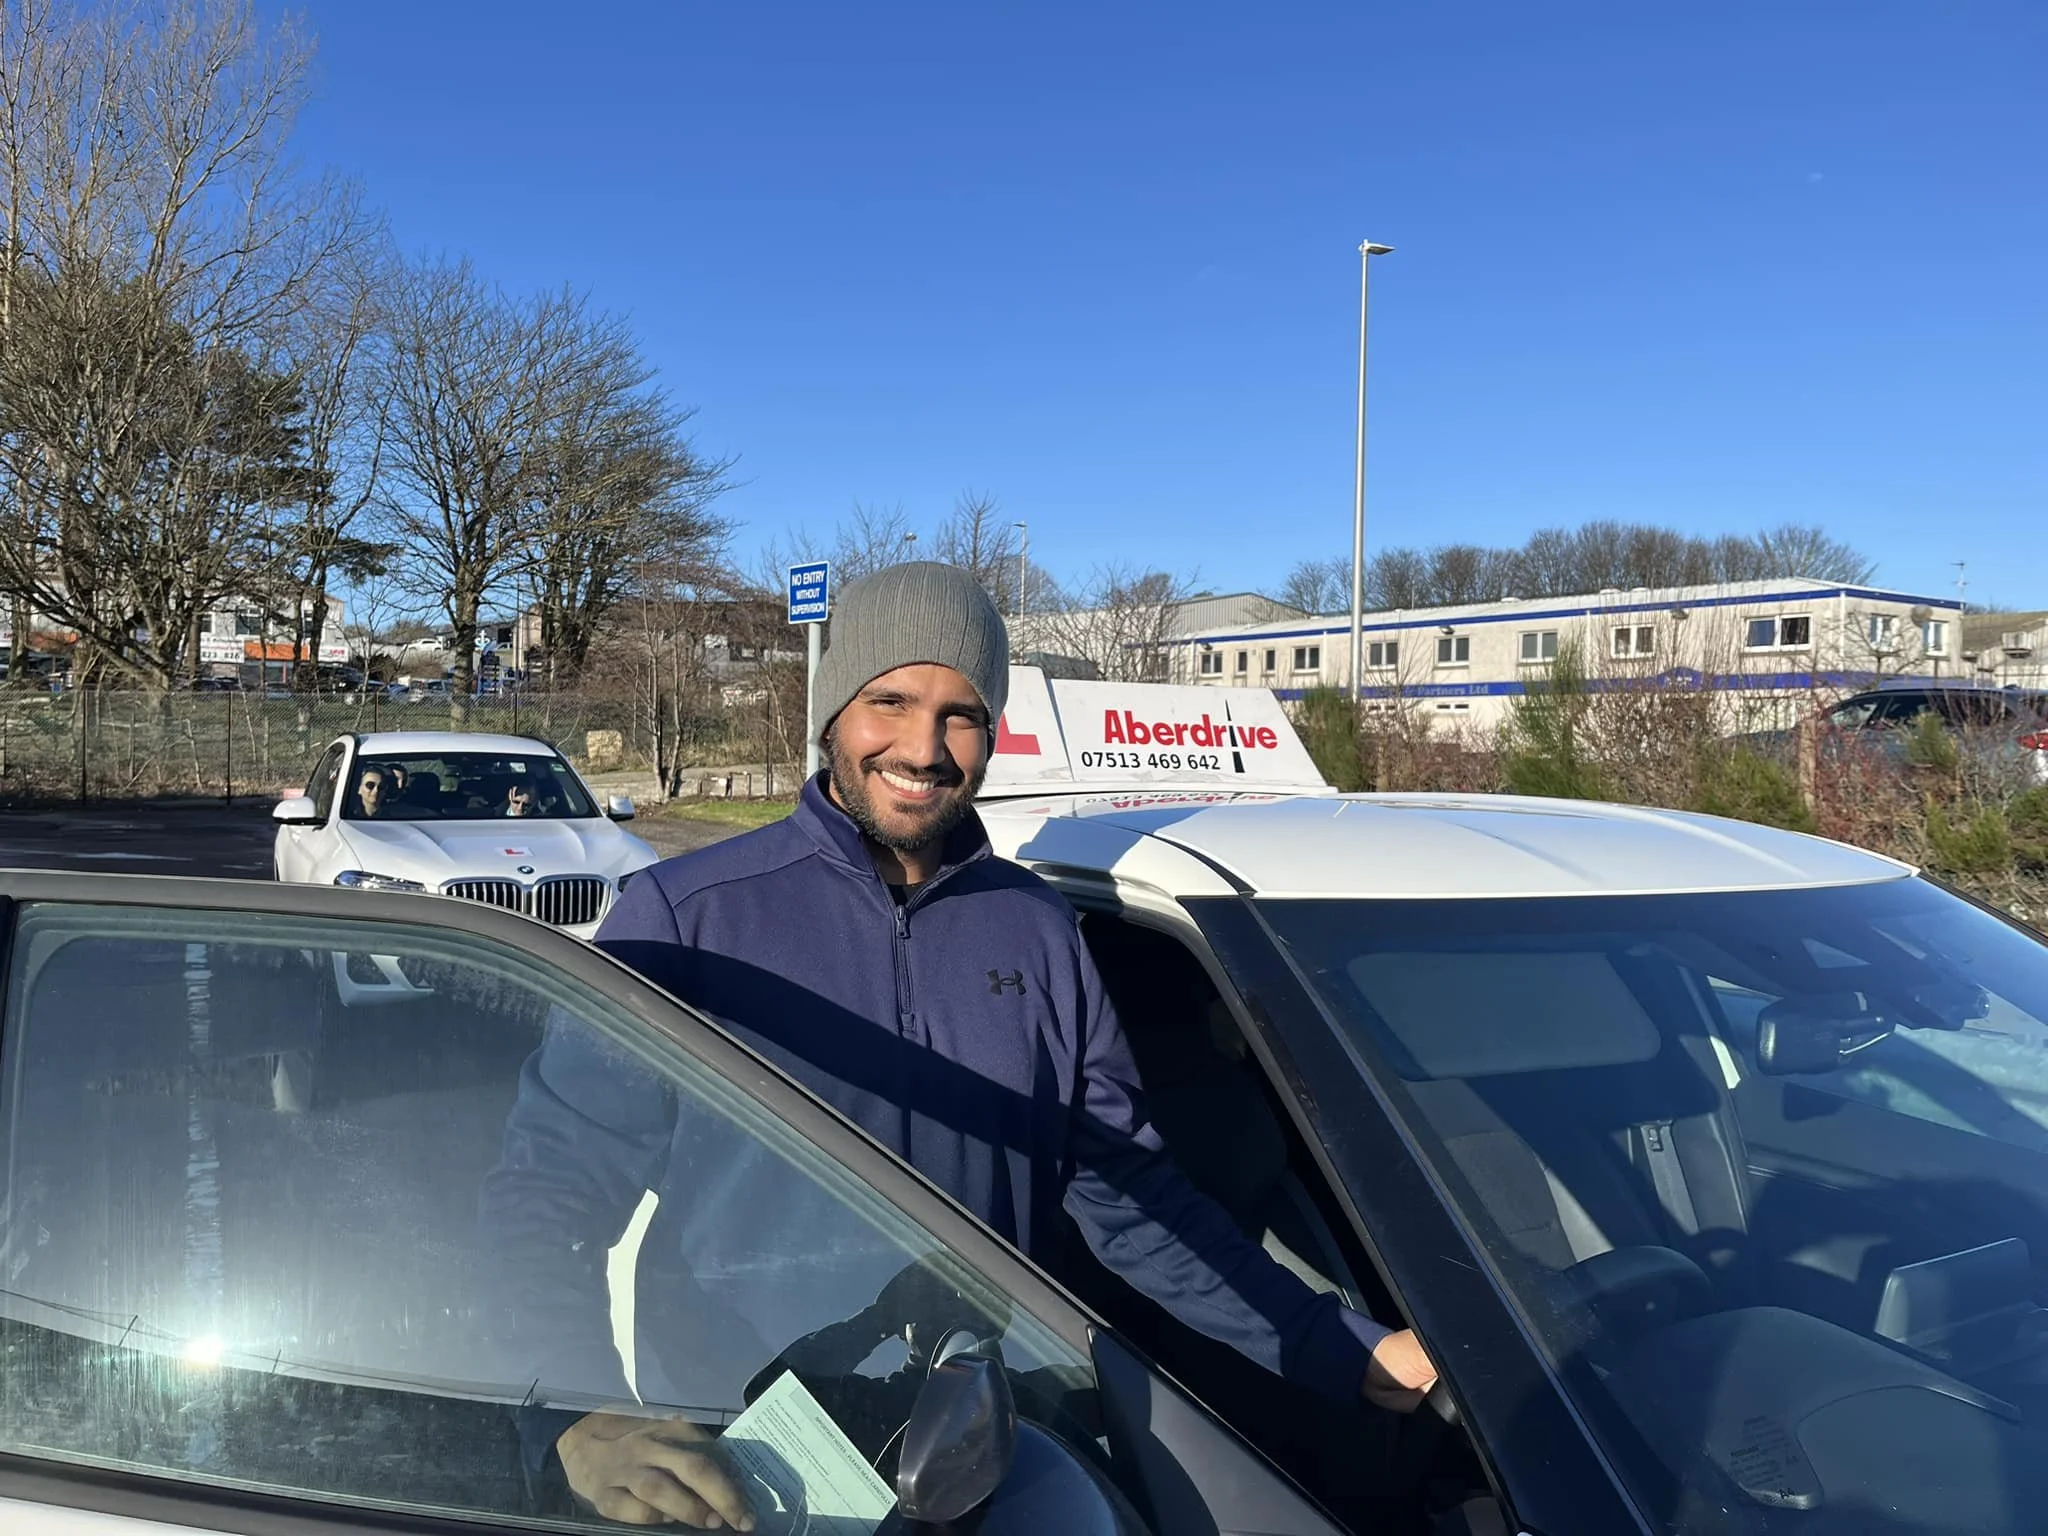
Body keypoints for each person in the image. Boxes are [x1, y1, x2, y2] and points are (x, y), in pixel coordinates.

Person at [482, 563, 1437, 1530]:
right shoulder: (686, 918)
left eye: (962, 714)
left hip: (977, 1434)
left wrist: (1333, 1342)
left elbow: (1128, 1194)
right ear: (833, 713)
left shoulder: (1037, 928)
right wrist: (574, 1413)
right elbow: (550, 1190)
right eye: (889, 701)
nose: (924, 747)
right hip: (742, 1451)